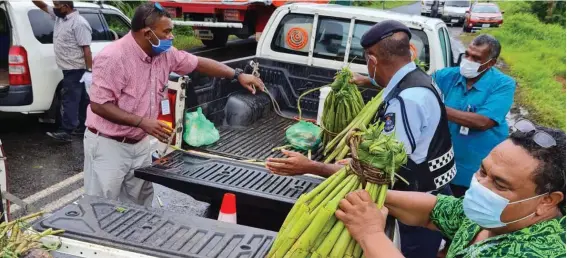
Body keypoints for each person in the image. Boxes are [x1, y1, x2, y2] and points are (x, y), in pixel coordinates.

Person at [266, 20, 455, 258]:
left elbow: (379, 171)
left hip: (415, 205)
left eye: (368, 62)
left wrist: (311, 166)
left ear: (373, 60)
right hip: (433, 190)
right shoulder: (421, 81)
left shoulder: (406, 100)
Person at [84, 2, 264, 207]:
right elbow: (99, 105)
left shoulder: (165, 54)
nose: (171, 36)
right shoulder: (113, 58)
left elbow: (198, 63)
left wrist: (238, 75)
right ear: (147, 33)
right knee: (100, 207)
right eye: (167, 31)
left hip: (140, 144)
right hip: (109, 145)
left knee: (139, 205)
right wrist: (143, 122)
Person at [336, 121, 566, 258]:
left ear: (547, 201)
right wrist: (370, 190)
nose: (479, 187)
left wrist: (371, 234)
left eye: (500, 184)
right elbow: (431, 211)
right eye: (483, 171)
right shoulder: (496, 216)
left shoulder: (542, 252)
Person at [432, 35, 515, 198]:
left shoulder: (503, 84)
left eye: (476, 58)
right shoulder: (448, 76)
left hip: (476, 166)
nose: (468, 60)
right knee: (439, 210)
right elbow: (417, 85)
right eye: (467, 54)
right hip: (443, 162)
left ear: (491, 63)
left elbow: (483, 122)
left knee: (467, 213)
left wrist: (435, 106)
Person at [33, 1, 93, 142]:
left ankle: (67, 131)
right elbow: (42, 6)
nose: (54, 8)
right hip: (68, 68)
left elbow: (86, 49)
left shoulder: (79, 23)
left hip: (75, 68)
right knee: (82, 99)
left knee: (70, 99)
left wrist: (89, 71)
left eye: (57, 5)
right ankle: (84, 127)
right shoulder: (60, 17)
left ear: (66, 6)